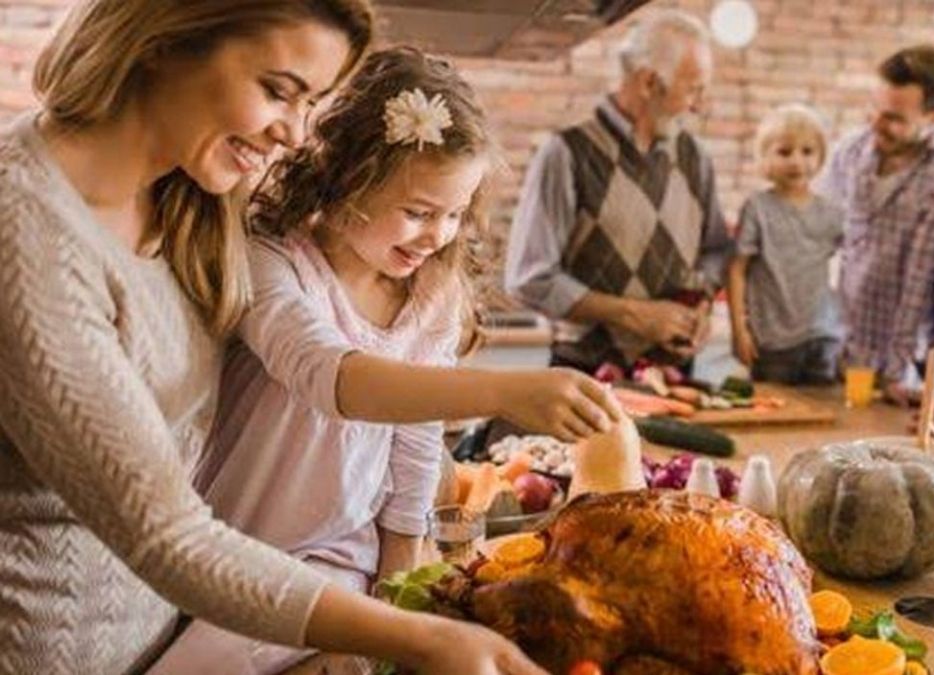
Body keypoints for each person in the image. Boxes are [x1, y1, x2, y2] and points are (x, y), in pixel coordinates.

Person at [0, 2, 547, 673]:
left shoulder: (191, 197)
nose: (294, 134)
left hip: (172, 628)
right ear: (163, 39)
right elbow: (165, 533)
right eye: (278, 90)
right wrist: (419, 636)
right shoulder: (26, 236)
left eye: (311, 100)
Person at [148, 46, 620, 675]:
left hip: (344, 562)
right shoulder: (274, 265)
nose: (438, 236)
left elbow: (416, 440)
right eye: (419, 213)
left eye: (455, 215)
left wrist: (402, 584)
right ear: (349, 181)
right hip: (238, 556)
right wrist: (501, 393)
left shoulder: (431, 295)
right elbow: (326, 376)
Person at [505, 9, 733, 375]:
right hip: (585, 378)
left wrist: (702, 306)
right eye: (693, 89)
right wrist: (634, 315)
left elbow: (717, 250)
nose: (699, 105)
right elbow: (530, 279)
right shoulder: (567, 154)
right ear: (647, 83)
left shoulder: (696, 157)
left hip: (675, 378)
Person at [816, 45, 934, 400]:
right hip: (846, 354)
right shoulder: (852, 150)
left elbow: (925, 269)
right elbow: (819, 240)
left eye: (894, 118)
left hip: (913, 369)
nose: (876, 125)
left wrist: (901, 367)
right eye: (874, 110)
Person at [727, 103, 844, 385]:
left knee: (824, 413)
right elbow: (736, 270)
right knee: (775, 412)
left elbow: (852, 263)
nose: (796, 162)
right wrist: (739, 330)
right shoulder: (757, 209)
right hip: (771, 340)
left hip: (821, 335)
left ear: (820, 157)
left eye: (807, 151)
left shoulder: (832, 213)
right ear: (765, 157)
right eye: (784, 151)